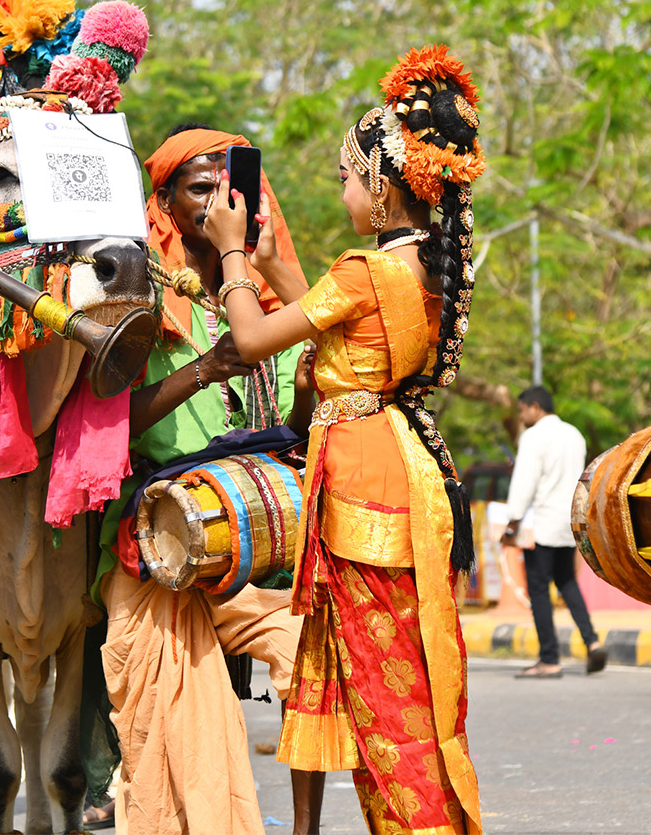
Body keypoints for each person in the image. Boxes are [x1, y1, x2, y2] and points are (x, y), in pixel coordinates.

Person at [204, 45, 484, 834]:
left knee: (385, 690)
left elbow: (256, 340)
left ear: (383, 188)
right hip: (401, 470)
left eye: (347, 178)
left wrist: (231, 250)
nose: (343, 191)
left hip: (365, 489)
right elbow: (352, 336)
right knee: (386, 675)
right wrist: (276, 271)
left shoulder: (364, 268)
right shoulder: (423, 265)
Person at [95, 124, 325, 835]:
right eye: (200, 187)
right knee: (179, 728)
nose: (220, 201)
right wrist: (204, 369)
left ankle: (307, 828)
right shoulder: (132, 295)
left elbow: (295, 416)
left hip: (251, 540)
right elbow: (104, 425)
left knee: (309, 651)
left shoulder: (259, 296)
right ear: (162, 202)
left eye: (232, 187)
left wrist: (316, 381)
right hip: (157, 543)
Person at [502, 386, 606, 679]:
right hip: (569, 522)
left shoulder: (533, 437)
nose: (521, 417)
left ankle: (549, 658)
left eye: (522, 410)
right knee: (567, 582)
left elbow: (526, 481)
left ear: (535, 407)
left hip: (542, 525)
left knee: (538, 589)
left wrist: (513, 521)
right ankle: (592, 640)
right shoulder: (574, 434)